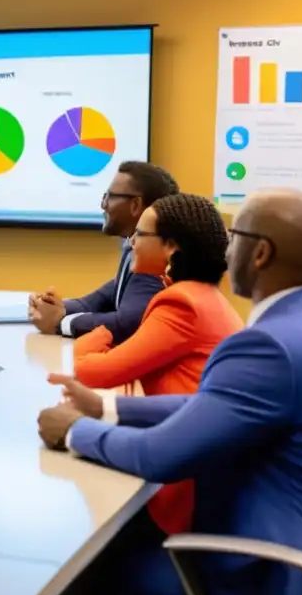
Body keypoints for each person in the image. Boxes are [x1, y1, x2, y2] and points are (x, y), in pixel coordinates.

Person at [38, 188, 302, 595]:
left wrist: (72, 431)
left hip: (267, 571)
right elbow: (213, 405)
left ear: (261, 253)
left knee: (84, 564)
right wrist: (107, 406)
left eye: (235, 237)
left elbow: (157, 456)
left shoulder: (271, 345)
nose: (226, 252)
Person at [72, 193, 243, 537]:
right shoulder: (202, 296)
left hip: (181, 485)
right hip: (199, 463)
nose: (131, 241)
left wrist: (93, 338)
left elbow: (95, 371)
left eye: (141, 234)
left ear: (171, 249)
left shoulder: (181, 303)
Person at [29, 161, 179, 344]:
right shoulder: (132, 248)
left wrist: (60, 323)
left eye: (110, 196)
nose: (103, 205)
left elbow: (127, 324)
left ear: (135, 205)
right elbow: (94, 302)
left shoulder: (152, 262)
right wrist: (49, 308)